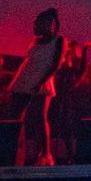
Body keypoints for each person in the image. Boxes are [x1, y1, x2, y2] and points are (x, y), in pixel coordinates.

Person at [7, 9, 64, 166]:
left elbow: (55, 65)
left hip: (41, 83)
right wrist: (13, 84)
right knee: (14, 118)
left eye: (38, 23)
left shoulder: (58, 40)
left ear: (48, 24)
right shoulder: (35, 41)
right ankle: (14, 152)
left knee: (40, 118)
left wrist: (40, 82)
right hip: (24, 82)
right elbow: (26, 64)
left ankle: (45, 155)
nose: (35, 26)